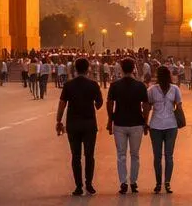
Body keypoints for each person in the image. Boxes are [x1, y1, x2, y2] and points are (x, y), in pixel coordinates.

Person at [56, 57, 103, 196]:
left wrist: (58, 121)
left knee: (75, 156)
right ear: (88, 68)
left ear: (75, 68)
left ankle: (78, 186)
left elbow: (62, 104)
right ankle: (89, 184)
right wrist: (93, 104)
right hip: (89, 124)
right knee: (89, 155)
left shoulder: (68, 85)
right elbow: (99, 104)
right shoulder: (93, 84)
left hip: (73, 124)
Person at [106, 58, 150, 195]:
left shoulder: (115, 85)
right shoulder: (140, 85)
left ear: (121, 69)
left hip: (119, 122)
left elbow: (110, 103)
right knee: (135, 155)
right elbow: (146, 105)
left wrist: (110, 120)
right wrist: (145, 120)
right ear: (134, 68)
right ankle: (134, 182)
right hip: (136, 122)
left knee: (121, 155)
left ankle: (123, 183)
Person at [147, 64, 182, 194]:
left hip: (167, 126)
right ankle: (164, 183)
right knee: (166, 156)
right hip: (159, 126)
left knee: (162, 156)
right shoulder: (152, 90)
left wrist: (145, 123)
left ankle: (161, 183)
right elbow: (179, 106)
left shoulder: (174, 89)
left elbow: (147, 108)